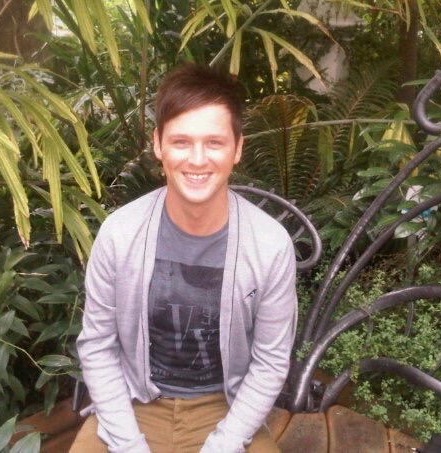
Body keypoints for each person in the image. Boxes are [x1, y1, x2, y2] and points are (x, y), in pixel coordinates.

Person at [70, 63, 297, 453]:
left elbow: (271, 362)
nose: (197, 159)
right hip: (133, 402)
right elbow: (97, 346)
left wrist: (223, 444)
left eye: (214, 142)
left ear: (238, 148)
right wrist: (129, 445)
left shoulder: (269, 245)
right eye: (181, 142)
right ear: (158, 145)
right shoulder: (120, 233)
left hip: (225, 408)